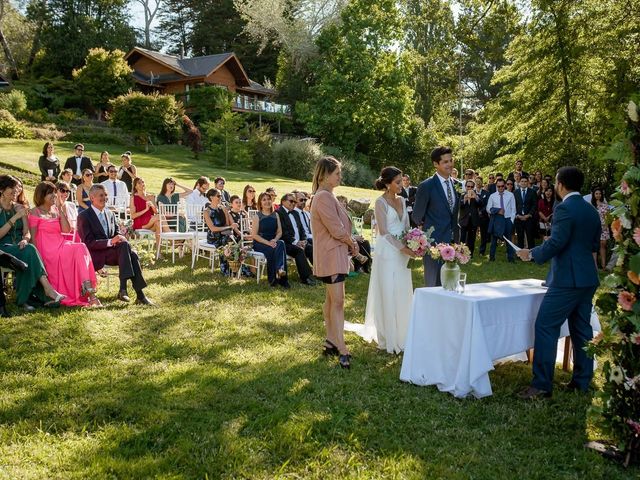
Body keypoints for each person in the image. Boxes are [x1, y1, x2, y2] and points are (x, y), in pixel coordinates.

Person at [516, 166, 601, 399]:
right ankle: (582, 380)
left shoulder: (564, 209)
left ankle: (542, 384)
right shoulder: (591, 211)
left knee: (545, 326)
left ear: (561, 184)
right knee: (582, 329)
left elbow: (556, 243)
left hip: (568, 280)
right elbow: (593, 246)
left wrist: (530, 253)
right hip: (587, 278)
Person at [347, 167, 415, 354]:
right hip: (388, 253)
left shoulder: (402, 199)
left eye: (402, 181)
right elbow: (384, 233)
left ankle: (404, 333)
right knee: (388, 291)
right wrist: (404, 248)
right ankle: (389, 336)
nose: (402, 185)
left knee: (401, 290)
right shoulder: (380, 203)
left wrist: (415, 242)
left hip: (403, 253)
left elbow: (407, 226)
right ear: (387, 184)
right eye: (398, 182)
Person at [311, 156, 358, 369]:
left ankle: (330, 340)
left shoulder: (328, 196)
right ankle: (342, 347)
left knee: (332, 300)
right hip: (331, 254)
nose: (340, 176)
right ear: (324, 175)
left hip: (334, 253)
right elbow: (335, 228)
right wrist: (351, 242)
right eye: (337, 173)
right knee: (338, 301)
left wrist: (349, 242)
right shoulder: (322, 198)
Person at [77, 184, 153, 305]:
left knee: (129, 250)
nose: (105, 198)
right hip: (97, 254)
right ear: (92, 198)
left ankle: (127, 291)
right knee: (130, 253)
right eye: (101, 195)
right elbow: (88, 243)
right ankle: (136, 294)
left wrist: (121, 238)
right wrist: (109, 242)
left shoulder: (110, 214)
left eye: (106, 195)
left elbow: (116, 233)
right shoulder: (84, 216)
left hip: (115, 253)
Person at [28, 182, 100, 307]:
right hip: (46, 250)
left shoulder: (56, 210)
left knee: (80, 247)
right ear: (42, 195)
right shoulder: (35, 212)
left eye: (54, 193)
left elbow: (66, 230)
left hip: (60, 244)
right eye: (50, 193)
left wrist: (60, 210)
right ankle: (89, 294)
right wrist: (38, 257)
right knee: (79, 248)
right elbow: (33, 237)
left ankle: (89, 292)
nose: (54, 195)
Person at [0, 175, 65, 311]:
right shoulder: (12, 211)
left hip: (20, 245)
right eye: (11, 189)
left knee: (29, 249)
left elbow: (27, 232)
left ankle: (31, 297)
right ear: (2, 190)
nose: (15, 192)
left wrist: (25, 239)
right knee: (30, 251)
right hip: (3, 248)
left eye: (15, 189)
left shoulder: (19, 207)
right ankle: (45, 291)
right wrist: (15, 217)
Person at [412, 146, 460, 287]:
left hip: (453, 241)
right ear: (435, 164)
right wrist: (427, 236)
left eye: (451, 160)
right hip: (434, 244)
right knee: (433, 284)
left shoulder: (457, 185)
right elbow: (416, 215)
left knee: (450, 283)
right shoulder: (426, 186)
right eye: (445, 162)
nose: (450, 164)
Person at [277, 193, 316, 285]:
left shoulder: (295, 213)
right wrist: (296, 242)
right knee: (298, 251)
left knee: (311, 248)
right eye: (291, 201)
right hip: (286, 243)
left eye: (295, 201)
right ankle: (306, 277)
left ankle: (321, 272)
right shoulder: (278, 213)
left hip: (299, 242)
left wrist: (304, 240)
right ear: (283, 201)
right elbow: (283, 233)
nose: (293, 203)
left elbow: (302, 230)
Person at [251, 192, 288, 287]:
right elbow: (254, 235)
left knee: (280, 242)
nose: (267, 201)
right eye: (264, 200)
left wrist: (274, 240)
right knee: (276, 248)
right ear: (260, 203)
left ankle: (279, 272)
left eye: (268, 199)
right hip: (260, 242)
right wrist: (267, 242)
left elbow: (279, 232)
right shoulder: (257, 216)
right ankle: (275, 277)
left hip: (272, 241)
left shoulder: (276, 215)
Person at [130, 177, 169, 249]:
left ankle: (158, 252)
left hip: (151, 221)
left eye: (143, 182)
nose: (142, 184)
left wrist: (152, 206)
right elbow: (132, 216)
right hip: (140, 222)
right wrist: (145, 209)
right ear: (135, 186)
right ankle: (172, 238)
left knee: (158, 223)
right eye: (139, 183)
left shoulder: (151, 196)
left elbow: (156, 211)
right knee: (160, 217)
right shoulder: (133, 198)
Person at [203, 188, 235, 275]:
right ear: (211, 197)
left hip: (224, 234)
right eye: (218, 196)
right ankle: (226, 269)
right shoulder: (207, 211)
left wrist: (228, 226)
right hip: (213, 236)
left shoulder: (223, 209)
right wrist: (227, 228)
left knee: (230, 240)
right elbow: (212, 228)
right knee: (226, 241)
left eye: (221, 195)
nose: (221, 197)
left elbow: (226, 225)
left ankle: (233, 267)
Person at [336, 195, 371, 273]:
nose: (343, 203)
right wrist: (354, 237)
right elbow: (342, 231)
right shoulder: (336, 215)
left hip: (352, 236)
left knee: (365, 242)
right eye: (341, 202)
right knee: (357, 243)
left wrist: (358, 235)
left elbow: (353, 228)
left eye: (345, 202)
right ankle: (358, 267)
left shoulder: (349, 214)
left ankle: (366, 267)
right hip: (346, 238)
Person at [486, 178, 516, 262]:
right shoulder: (492, 196)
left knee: (508, 240)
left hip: (507, 219)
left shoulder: (510, 195)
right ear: (496, 186)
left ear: (505, 185)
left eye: (502, 186)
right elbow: (488, 209)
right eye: (498, 186)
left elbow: (514, 209)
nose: (500, 188)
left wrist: (511, 220)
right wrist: (498, 210)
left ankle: (510, 258)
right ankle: (492, 258)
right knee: (494, 240)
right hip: (497, 220)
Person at [514, 175, 537, 248]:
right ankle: (520, 254)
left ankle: (531, 254)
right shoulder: (515, 192)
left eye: (525, 181)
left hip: (529, 218)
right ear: (519, 183)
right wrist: (517, 215)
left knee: (530, 237)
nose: (523, 183)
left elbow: (534, 205)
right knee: (520, 237)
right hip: (518, 218)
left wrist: (529, 214)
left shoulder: (532, 192)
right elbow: (513, 205)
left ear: (528, 182)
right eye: (522, 181)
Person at [459, 179, 480, 257]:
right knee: (462, 238)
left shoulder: (476, 195)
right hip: (464, 220)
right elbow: (459, 206)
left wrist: (476, 197)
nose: (470, 188)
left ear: (474, 187)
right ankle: (461, 254)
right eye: (468, 186)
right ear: (465, 187)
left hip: (473, 220)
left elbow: (480, 205)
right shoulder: (461, 195)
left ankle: (470, 254)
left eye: (471, 186)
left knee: (472, 238)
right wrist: (464, 199)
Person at [591, 187, 610, 270]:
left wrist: (606, 225)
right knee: (594, 246)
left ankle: (603, 265)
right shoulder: (591, 206)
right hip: (594, 227)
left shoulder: (605, 205)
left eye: (600, 193)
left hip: (603, 227)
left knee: (603, 244)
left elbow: (608, 217)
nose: (598, 195)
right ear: (594, 195)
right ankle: (594, 265)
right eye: (596, 193)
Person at [475, 176, 491, 256]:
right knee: (472, 234)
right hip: (474, 216)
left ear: (482, 183)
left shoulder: (486, 193)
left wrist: (481, 211)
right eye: (476, 182)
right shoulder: (472, 192)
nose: (478, 183)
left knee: (484, 235)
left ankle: (482, 251)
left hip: (483, 216)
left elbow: (488, 204)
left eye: (479, 182)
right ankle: (470, 250)